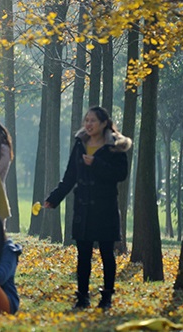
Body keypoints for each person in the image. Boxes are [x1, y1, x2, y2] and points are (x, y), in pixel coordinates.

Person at [43, 106, 131, 310]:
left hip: (105, 207)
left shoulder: (115, 146)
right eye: (86, 120)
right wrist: (54, 198)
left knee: (107, 254)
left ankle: (106, 298)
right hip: (83, 208)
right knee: (83, 255)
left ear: (103, 123)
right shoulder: (80, 144)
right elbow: (70, 175)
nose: (88, 124)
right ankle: (82, 297)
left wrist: (97, 163)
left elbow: (121, 174)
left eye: (93, 121)